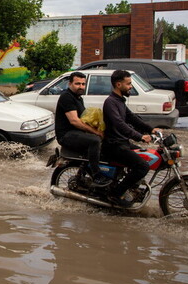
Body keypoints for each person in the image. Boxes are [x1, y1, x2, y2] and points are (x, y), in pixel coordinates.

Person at [102, 69, 160, 207]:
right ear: (118, 84)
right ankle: (115, 195)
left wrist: (151, 129)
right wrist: (140, 136)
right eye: (128, 84)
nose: (131, 86)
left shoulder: (119, 101)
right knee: (142, 166)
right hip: (113, 145)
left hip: (122, 142)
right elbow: (120, 124)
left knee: (146, 155)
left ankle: (131, 187)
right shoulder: (110, 102)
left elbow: (132, 118)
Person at [55, 72, 112, 186]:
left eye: (83, 84)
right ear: (70, 83)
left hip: (76, 133)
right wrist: (95, 132)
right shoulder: (67, 97)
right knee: (94, 141)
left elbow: (84, 119)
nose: (81, 87)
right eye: (77, 84)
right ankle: (96, 175)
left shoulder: (78, 98)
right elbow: (74, 121)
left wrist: (100, 127)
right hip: (66, 135)